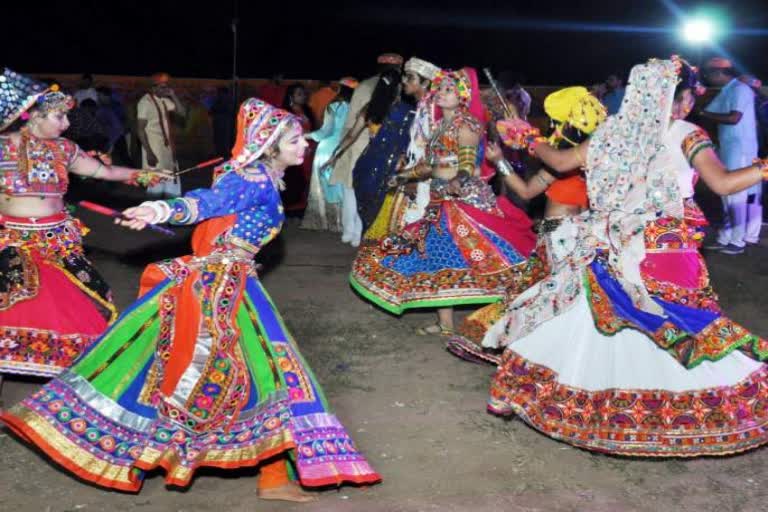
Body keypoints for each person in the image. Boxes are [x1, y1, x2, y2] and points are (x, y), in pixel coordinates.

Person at [1, 98, 381, 500]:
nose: (303, 145)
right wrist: (160, 209)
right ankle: (176, 454)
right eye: (294, 141)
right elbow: (205, 204)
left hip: (236, 282)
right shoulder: (249, 180)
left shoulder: (266, 176)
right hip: (216, 289)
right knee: (251, 372)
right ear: (269, 144)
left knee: (266, 371)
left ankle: (272, 477)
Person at [482, 57, 768, 456]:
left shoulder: (614, 130)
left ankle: (530, 392)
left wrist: (528, 138)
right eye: (687, 98)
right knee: (681, 326)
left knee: (585, 318)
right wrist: (763, 168)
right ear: (679, 99)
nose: (687, 106)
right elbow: (721, 184)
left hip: (613, 244)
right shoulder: (687, 132)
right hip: (665, 249)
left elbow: (561, 162)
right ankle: (669, 410)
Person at [0, 69, 169, 382]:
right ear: (32, 116)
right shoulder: (2, 148)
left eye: (66, 117)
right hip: (13, 242)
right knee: (7, 312)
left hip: (57, 242)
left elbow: (102, 172)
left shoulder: (65, 149)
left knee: (80, 307)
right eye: (57, 117)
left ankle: (68, 389)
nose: (65, 125)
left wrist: (137, 175)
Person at [350, 68, 540, 336]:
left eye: (448, 90)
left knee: (492, 259)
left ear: (462, 96)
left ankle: (511, 316)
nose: (441, 93)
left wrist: (459, 180)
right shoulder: (440, 127)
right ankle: (445, 324)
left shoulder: (467, 125)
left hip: (466, 203)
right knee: (439, 259)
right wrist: (402, 176)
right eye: (440, 89)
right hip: (440, 199)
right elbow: (429, 166)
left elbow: (465, 164)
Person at [447, 86, 606, 363]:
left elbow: (540, 178)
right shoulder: (576, 159)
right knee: (550, 301)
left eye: (558, 123)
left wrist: (529, 137)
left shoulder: (572, 159)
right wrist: (499, 162)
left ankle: (539, 356)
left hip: (568, 241)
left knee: (545, 300)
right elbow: (526, 191)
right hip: (569, 239)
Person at [331, 53, 403, 247]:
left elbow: (351, 128)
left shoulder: (365, 87)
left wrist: (337, 154)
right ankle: (366, 234)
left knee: (352, 190)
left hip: (360, 147)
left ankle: (351, 233)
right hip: (388, 154)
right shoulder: (401, 93)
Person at [700, 58, 760, 254]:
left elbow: (734, 118)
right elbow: (708, 111)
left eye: (709, 75)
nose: (708, 79)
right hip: (731, 148)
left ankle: (737, 241)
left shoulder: (740, 89)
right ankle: (735, 236)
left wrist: (703, 113)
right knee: (736, 194)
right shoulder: (728, 91)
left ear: (719, 73)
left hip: (741, 150)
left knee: (736, 195)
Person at [349, 67, 414, 237]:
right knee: (385, 210)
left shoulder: (369, 109)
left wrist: (335, 155)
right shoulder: (407, 112)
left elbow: (351, 135)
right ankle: (379, 246)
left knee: (368, 207)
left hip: (367, 163)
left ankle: (368, 241)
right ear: (399, 87)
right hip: (391, 166)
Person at [301, 78, 357, 232]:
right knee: (343, 186)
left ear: (339, 89)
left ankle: (332, 223)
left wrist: (307, 135)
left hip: (328, 149)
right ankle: (346, 222)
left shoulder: (334, 106)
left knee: (328, 186)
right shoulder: (357, 108)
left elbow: (326, 131)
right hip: (347, 148)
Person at [137, 72, 186, 197]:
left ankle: (170, 207)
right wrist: (148, 152)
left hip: (167, 146)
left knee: (170, 177)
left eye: (167, 86)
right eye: (163, 87)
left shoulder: (163, 100)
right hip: (153, 147)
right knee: (154, 181)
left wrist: (173, 95)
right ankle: (152, 210)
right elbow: (140, 129)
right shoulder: (145, 102)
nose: (166, 89)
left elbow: (182, 112)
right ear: (153, 87)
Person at [281, 83, 316, 216]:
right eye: (299, 94)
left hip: (309, 149)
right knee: (294, 177)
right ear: (291, 96)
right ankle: (291, 207)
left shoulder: (308, 111)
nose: (303, 97)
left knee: (308, 177)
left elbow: (315, 129)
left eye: (303, 94)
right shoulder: (286, 113)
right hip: (293, 150)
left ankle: (303, 205)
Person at [210, 86, 235, 158]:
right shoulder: (229, 101)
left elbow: (212, 111)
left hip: (220, 122)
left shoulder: (218, 101)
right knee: (224, 139)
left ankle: (221, 154)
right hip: (226, 122)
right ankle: (225, 153)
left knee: (220, 139)